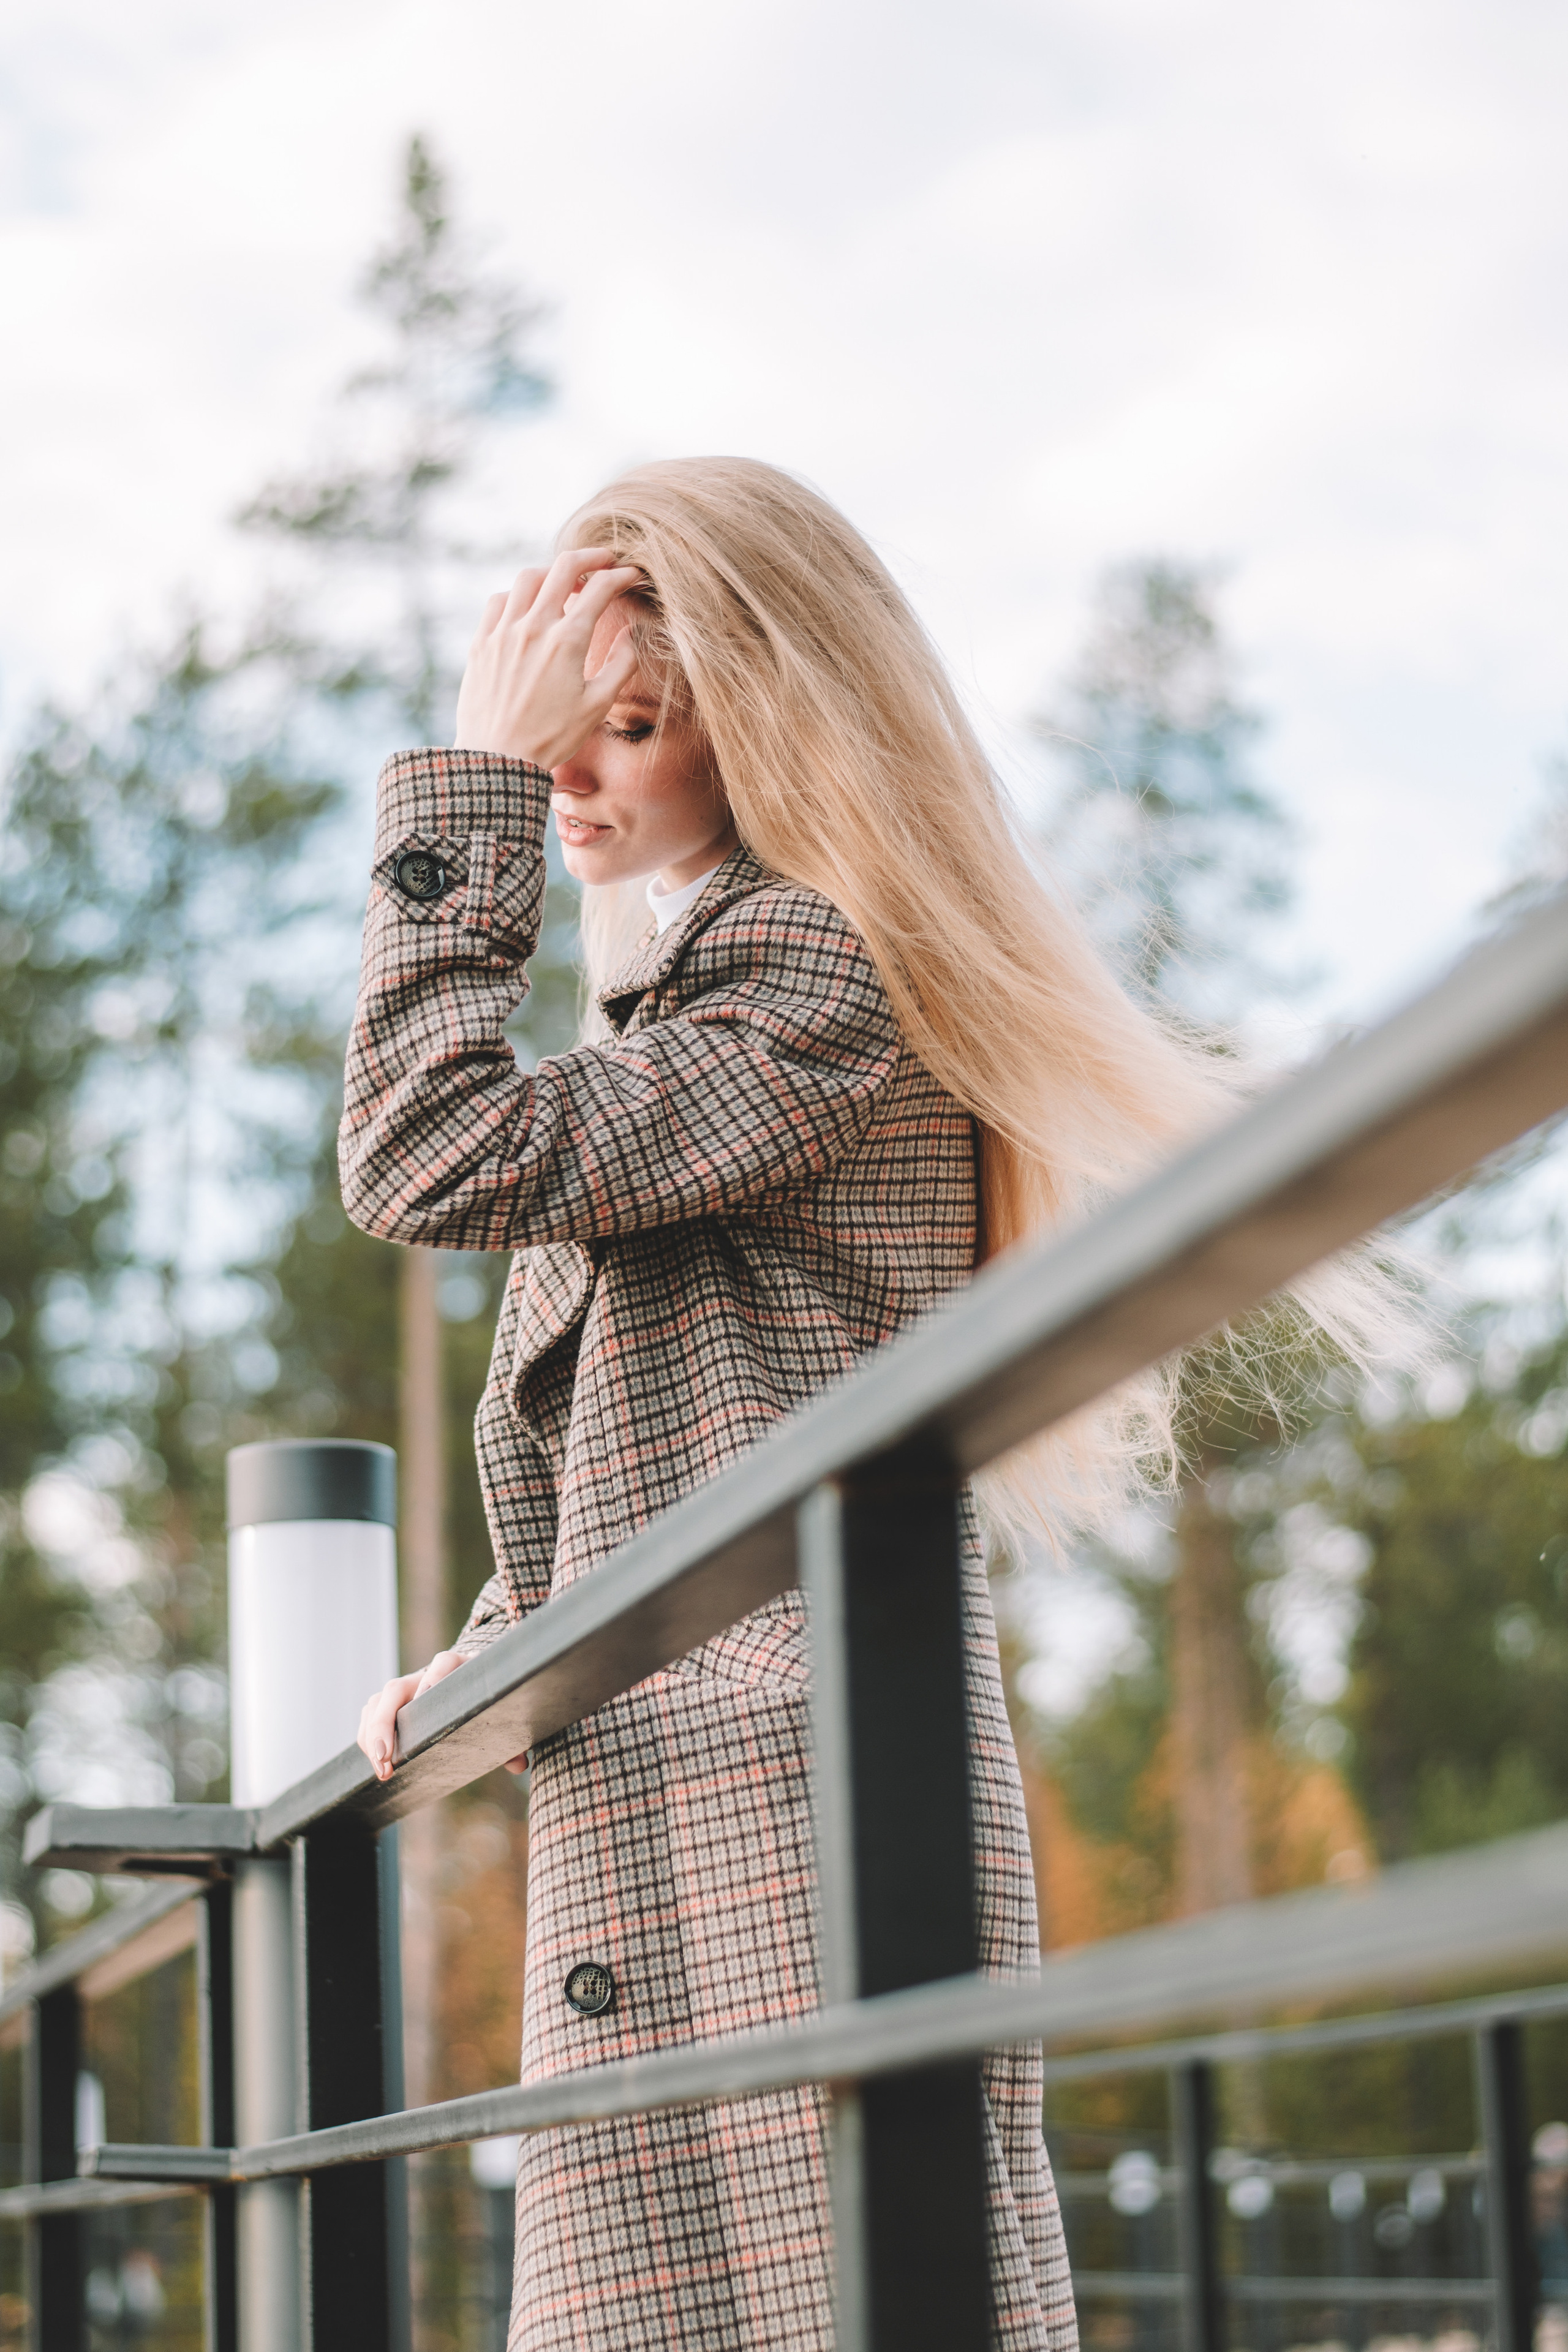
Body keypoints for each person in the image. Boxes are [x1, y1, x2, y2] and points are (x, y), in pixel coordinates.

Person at [349, 458, 1390, 2350]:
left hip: (783, 1786)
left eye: (627, 728)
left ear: (773, 721)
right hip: (703, 1765)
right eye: (549, 739)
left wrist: (468, 792)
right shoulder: (702, 998)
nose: (571, 777)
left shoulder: (807, 965)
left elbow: (428, 1152)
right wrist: (509, 1644)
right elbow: (695, 1385)